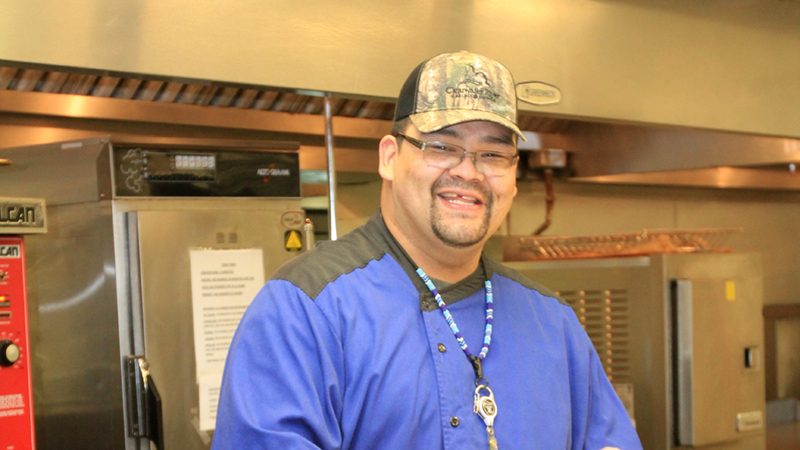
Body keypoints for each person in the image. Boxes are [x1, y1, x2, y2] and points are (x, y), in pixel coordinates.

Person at [212, 51, 642, 450]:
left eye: (493, 153)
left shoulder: (552, 323)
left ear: (512, 177)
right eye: (442, 145)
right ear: (389, 157)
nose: (469, 172)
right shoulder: (307, 308)